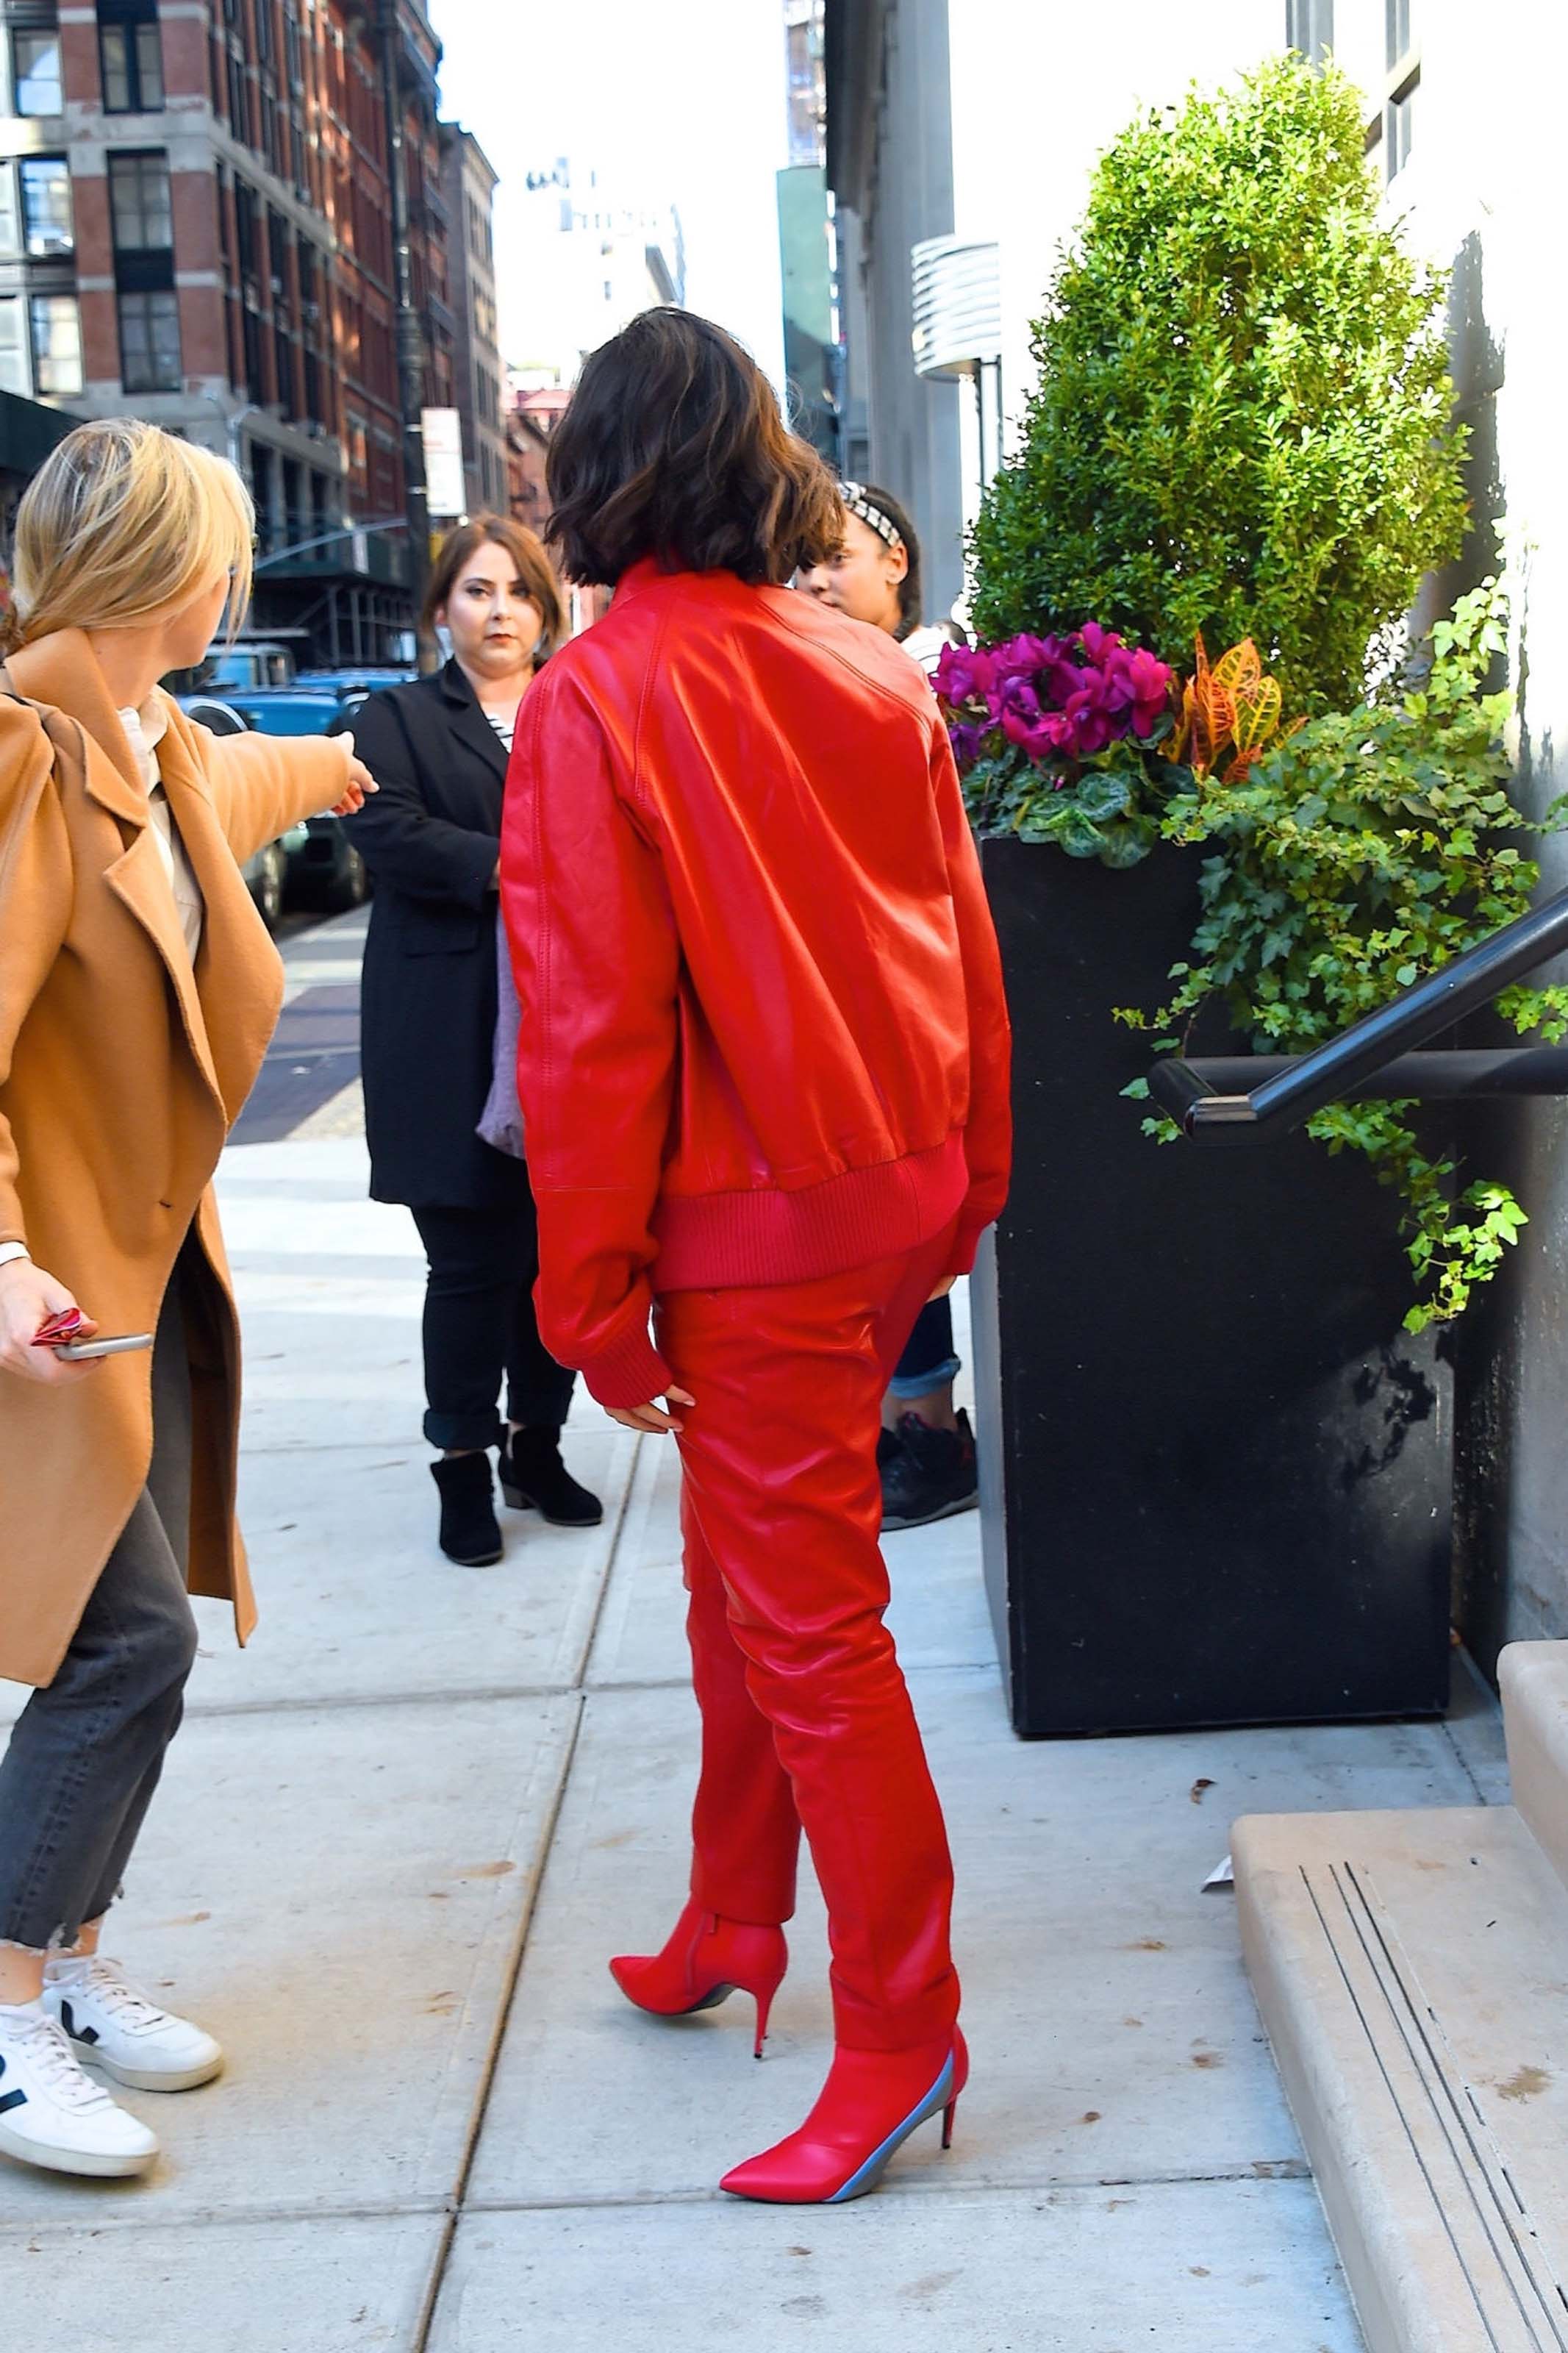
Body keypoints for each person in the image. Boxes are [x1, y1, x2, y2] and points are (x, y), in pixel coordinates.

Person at [500, 310, 1012, 2204]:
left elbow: (589, 1030)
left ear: (597, 474)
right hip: (884, 1202)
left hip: (748, 1237)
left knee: (804, 1623)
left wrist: (585, 1290)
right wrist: (973, 1177)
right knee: (752, 1578)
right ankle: (735, 1915)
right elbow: (964, 956)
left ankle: (899, 2025)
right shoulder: (871, 671)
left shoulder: (596, 694)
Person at [0, 419, 375, 2180]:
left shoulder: (144, 739)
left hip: (134, 1304)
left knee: (135, 1656)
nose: (234, 577)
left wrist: (339, 772)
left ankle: (70, 1965)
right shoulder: (18, 754)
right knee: (125, 1644)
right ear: (162, 573)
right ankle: (6, 2010)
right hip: (41, 1307)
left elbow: (222, 800)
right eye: (217, 548)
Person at [346, 518, 601, 1568]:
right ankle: (461, 1461)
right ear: (440, 608)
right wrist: (524, 868)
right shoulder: (396, 718)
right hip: (444, 1027)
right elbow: (384, 829)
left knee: (561, 1260)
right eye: (477, 591)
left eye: (518, 594)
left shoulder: (580, 707)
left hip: (575, 1019)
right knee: (467, 1264)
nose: (499, 612)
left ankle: (535, 1450)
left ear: (545, 610)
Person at [797, 480, 981, 1531]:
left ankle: (929, 1434)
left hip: (914, 991)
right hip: (844, 989)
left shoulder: (942, 678)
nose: (817, 579)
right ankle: (888, 1426)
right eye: (803, 563)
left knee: (911, 1219)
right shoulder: (818, 673)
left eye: (835, 557)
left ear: (894, 562)